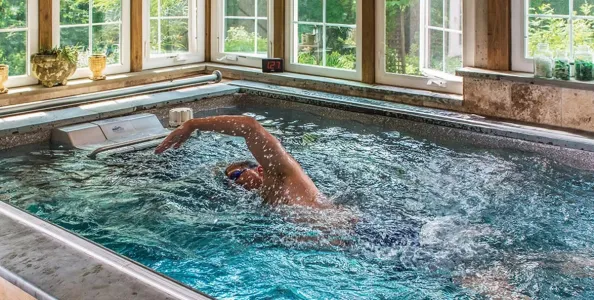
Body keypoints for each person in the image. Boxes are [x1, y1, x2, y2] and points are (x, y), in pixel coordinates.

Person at [155, 115, 333, 209]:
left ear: (260, 170)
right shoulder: (263, 200)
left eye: (237, 175)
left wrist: (192, 124)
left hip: (349, 232)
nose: (236, 183)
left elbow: (249, 126)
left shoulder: (280, 175)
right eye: (231, 181)